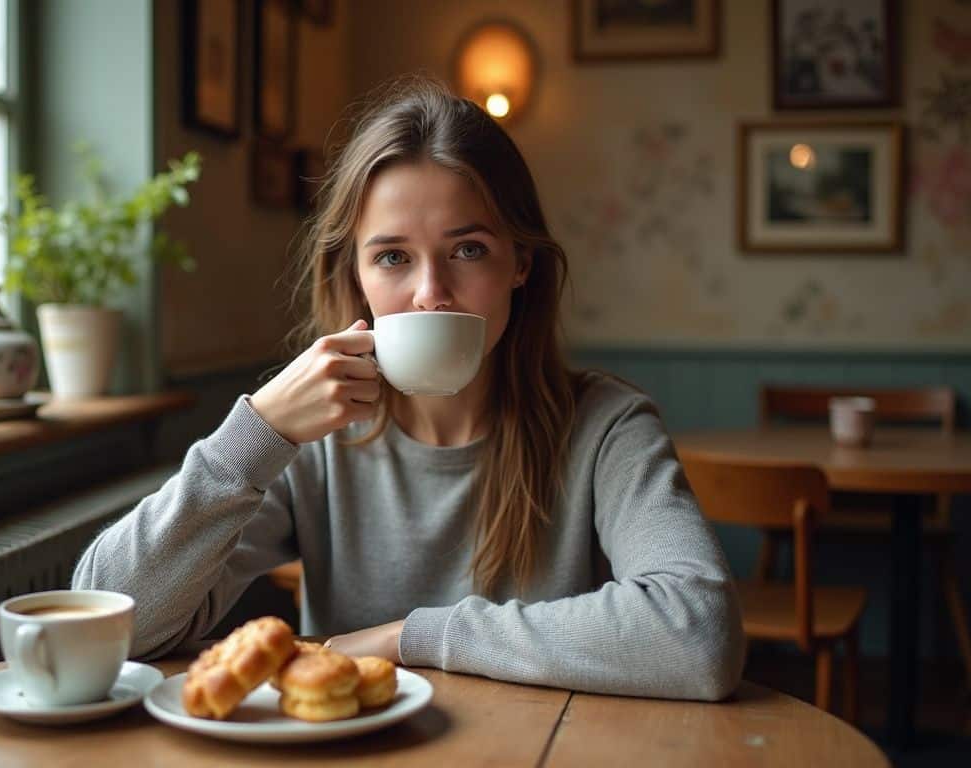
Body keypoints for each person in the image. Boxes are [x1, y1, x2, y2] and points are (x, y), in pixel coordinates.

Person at [73, 77, 744, 701]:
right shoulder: (312, 437)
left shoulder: (607, 428)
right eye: (393, 256)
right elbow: (101, 626)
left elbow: (699, 634)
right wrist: (255, 436)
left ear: (521, 264)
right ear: (356, 275)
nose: (429, 293)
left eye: (469, 249)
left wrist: (409, 638)